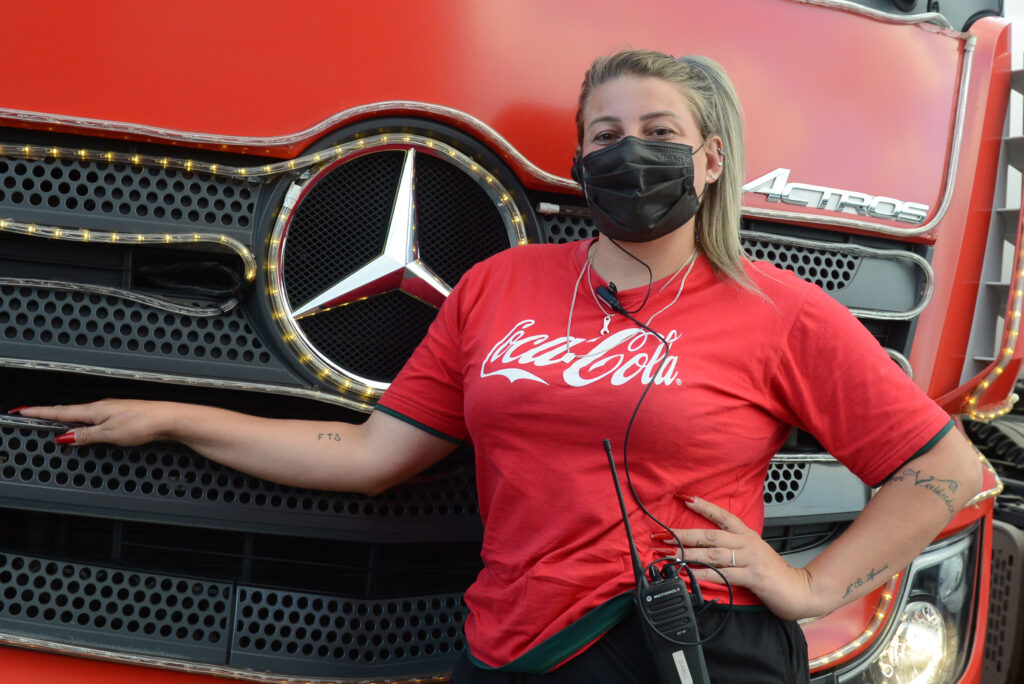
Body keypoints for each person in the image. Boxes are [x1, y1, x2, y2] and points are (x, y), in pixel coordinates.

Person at [17, 50, 981, 683]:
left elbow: (949, 472)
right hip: (508, 646)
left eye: (658, 136)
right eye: (605, 137)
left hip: (679, 649)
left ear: (712, 161)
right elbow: (365, 455)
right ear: (578, 157)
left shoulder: (779, 309)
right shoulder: (498, 285)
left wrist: (813, 587)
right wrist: (174, 417)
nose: (629, 154)